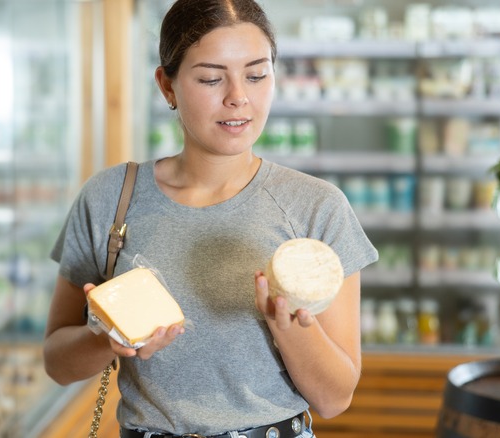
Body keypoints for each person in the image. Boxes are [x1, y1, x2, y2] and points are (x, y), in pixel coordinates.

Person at [44, 0, 378, 437]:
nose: (238, 96)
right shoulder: (111, 198)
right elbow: (57, 363)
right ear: (167, 86)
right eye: (210, 78)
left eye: (257, 75)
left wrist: (288, 326)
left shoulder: (317, 207)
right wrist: (106, 338)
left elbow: (335, 399)